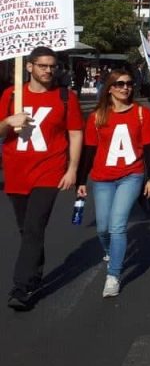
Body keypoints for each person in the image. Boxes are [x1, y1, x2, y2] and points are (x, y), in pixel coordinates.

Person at [0, 47, 84, 311]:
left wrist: (72, 169)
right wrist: (8, 121)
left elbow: (75, 135)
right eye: (43, 66)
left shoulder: (65, 97)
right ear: (29, 67)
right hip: (15, 171)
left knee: (35, 227)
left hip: (49, 171)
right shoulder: (12, 94)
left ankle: (21, 287)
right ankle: (34, 274)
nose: (48, 71)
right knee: (27, 230)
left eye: (52, 66)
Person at [76, 70, 150, 297]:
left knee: (117, 225)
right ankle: (109, 251)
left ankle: (113, 275)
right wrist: (80, 181)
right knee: (103, 227)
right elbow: (89, 151)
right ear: (110, 88)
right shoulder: (97, 117)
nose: (126, 88)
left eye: (129, 84)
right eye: (120, 84)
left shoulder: (142, 114)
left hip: (131, 175)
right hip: (102, 178)